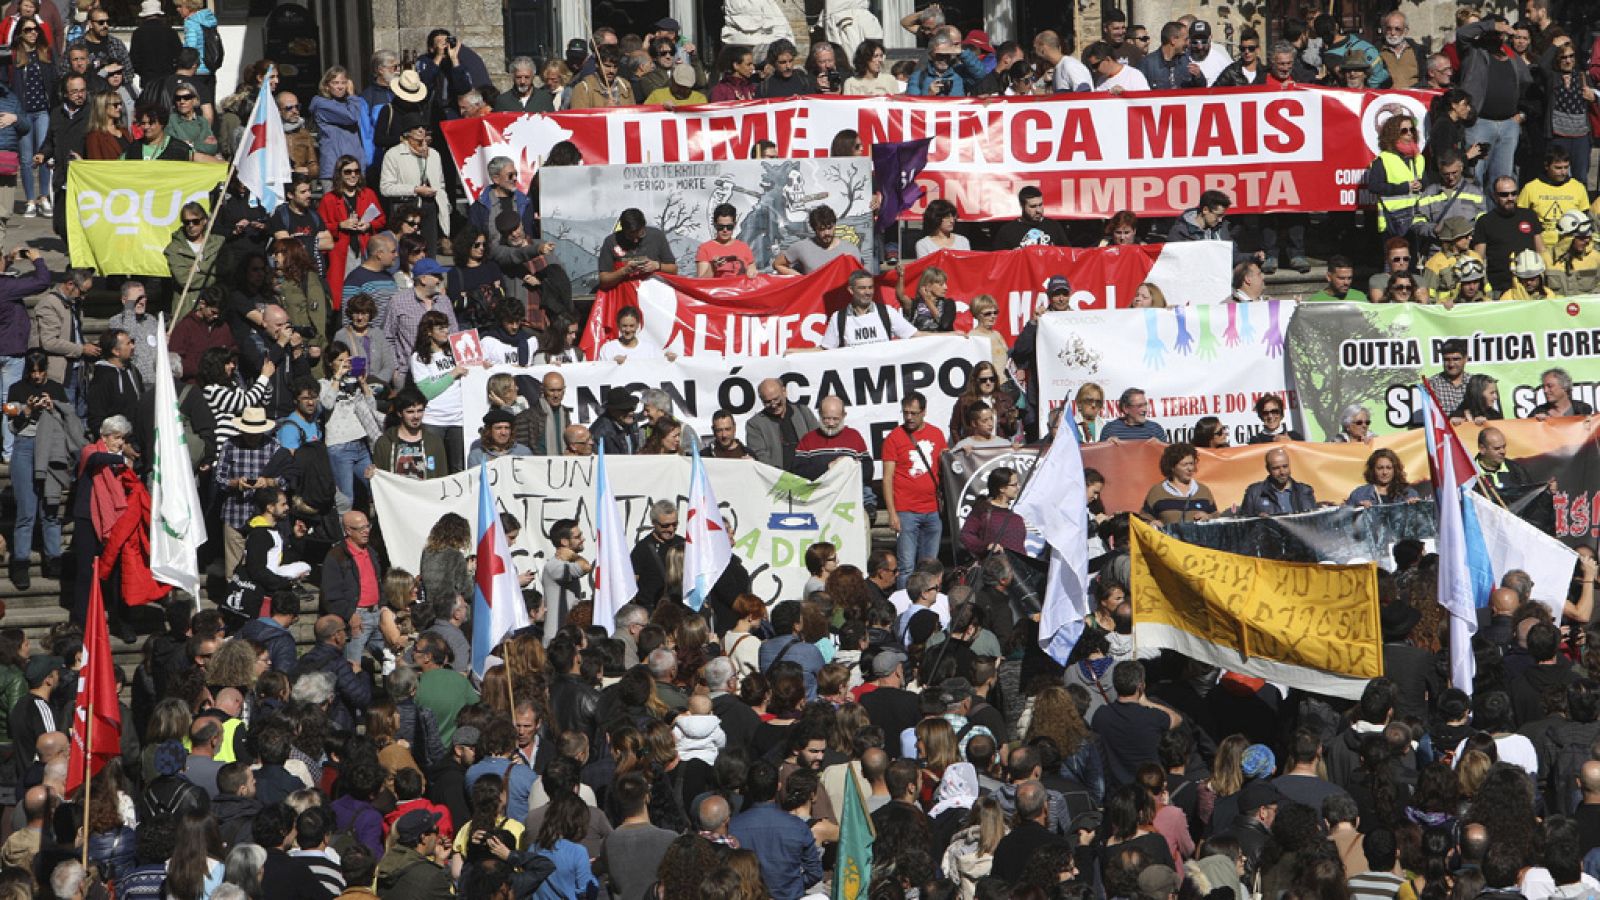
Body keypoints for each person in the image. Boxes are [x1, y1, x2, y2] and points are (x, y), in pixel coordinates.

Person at [5, 349, 67, 587]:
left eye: (41, 371)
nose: (38, 376)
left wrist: (54, 408)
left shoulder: (57, 388)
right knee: (26, 511)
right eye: (33, 372)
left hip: (51, 448)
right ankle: (21, 562)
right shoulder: (16, 390)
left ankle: (54, 559)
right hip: (25, 448)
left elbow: (68, 420)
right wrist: (27, 411)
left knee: (51, 508)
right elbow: (12, 424)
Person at [1456, 16, 1531, 187]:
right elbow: (1462, 34)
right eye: (1497, 32)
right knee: (1475, 176)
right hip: (1480, 123)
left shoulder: (1509, 54)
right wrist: (1491, 25)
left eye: (1503, 33)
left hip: (1508, 125)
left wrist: (1521, 114)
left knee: (1503, 180)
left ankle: (1496, 213)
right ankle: (1476, 213)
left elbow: (1527, 81)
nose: (1499, 36)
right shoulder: (1473, 51)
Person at [882, 391, 945, 587]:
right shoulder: (894, 438)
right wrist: (892, 513)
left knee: (929, 566)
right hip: (906, 511)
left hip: (933, 510)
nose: (909, 417)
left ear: (924, 412)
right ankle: (904, 610)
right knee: (907, 567)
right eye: (905, 412)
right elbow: (887, 478)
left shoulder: (936, 434)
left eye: (914, 413)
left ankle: (927, 604)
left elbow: (948, 464)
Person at [378, 116, 447, 257]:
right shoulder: (394, 154)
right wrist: (414, 189)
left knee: (429, 252)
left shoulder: (434, 154)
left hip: (430, 207)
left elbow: (441, 184)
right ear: (407, 132)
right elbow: (385, 188)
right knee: (407, 253)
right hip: (406, 208)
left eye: (424, 128)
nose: (421, 130)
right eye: (417, 128)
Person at [1517, 147, 1590, 248]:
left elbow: (1584, 218)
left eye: (1566, 167)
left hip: (1570, 245)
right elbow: (1520, 216)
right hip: (1540, 245)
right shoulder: (1531, 188)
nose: (1563, 172)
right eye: (1558, 168)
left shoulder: (1578, 187)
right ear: (1547, 166)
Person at [747, 378, 820, 470]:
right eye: (767, 402)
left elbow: (818, 442)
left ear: (784, 392)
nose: (773, 405)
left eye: (776, 399)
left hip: (809, 474)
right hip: (778, 478)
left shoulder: (803, 412)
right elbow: (759, 456)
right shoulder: (755, 424)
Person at [596, 208, 677, 289]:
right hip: (624, 293)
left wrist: (657, 266)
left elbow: (673, 269)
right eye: (630, 237)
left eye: (640, 235)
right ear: (623, 230)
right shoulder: (611, 241)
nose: (635, 240)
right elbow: (604, 280)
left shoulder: (657, 236)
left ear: (644, 226)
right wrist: (624, 271)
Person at [1140, 443, 1217, 525]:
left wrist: (1209, 517)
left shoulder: (1204, 491)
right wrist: (1151, 523)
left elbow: (1217, 516)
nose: (1190, 468)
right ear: (1172, 467)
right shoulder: (1156, 492)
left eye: (1191, 464)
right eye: (1185, 465)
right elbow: (1143, 520)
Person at [773, 206, 861, 275]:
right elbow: (777, 264)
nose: (827, 233)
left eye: (829, 228)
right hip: (814, 296)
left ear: (835, 225)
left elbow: (859, 279)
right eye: (821, 229)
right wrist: (800, 279)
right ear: (814, 229)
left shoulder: (850, 250)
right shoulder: (802, 247)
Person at [960, 467, 1026, 559]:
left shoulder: (1016, 515)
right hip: (993, 569)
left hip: (1017, 570)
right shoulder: (983, 509)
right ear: (1002, 488)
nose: (1018, 487)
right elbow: (966, 535)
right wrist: (986, 546)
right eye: (1014, 485)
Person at [1240, 448, 1318, 516]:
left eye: (1285, 466)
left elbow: (1313, 523)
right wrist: (1258, 520)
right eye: (1276, 468)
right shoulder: (1254, 493)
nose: (1282, 472)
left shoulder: (1305, 491)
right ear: (1268, 469)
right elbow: (1243, 524)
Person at [993, 186, 1067, 248]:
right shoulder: (1007, 231)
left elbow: (1067, 256)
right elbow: (1000, 261)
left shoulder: (1054, 226)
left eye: (1040, 205)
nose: (1038, 210)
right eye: (1033, 206)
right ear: (1022, 206)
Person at [1137, 21, 1204, 90]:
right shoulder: (1148, 64)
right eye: (1185, 39)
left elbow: (1201, 89)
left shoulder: (1186, 62)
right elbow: (1138, 93)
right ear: (1173, 40)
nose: (1188, 43)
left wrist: (1198, 77)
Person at [1547, 211, 1600, 296]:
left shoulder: (1596, 257)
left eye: (1588, 236)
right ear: (1567, 239)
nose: (1587, 240)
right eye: (1581, 237)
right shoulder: (1547, 259)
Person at [695, 203, 755, 277]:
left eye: (729, 227)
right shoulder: (705, 248)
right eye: (721, 227)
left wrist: (751, 272)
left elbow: (753, 274)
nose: (725, 230)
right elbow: (701, 282)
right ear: (715, 225)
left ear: (734, 225)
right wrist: (713, 267)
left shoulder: (744, 247)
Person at [1347, 449, 1420, 507]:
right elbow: (1343, 521)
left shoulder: (1408, 493)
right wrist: (1356, 513)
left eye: (1389, 468)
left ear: (1395, 470)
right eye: (1380, 468)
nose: (1385, 472)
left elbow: (1422, 522)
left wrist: (1418, 508)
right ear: (1372, 470)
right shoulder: (1359, 494)